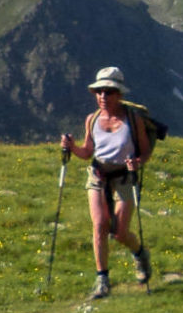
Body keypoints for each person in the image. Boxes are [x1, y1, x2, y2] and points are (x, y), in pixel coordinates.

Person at [60, 67, 153, 299]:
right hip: (98, 175)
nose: (103, 96)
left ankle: (140, 254)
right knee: (100, 225)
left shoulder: (134, 119)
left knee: (120, 233)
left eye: (108, 91)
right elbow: (88, 152)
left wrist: (137, 163)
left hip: (124, 176)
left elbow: (145, 151)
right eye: (99, 91)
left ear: (119, 94)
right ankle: (102, 280)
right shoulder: (91, 120)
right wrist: (72, 148)